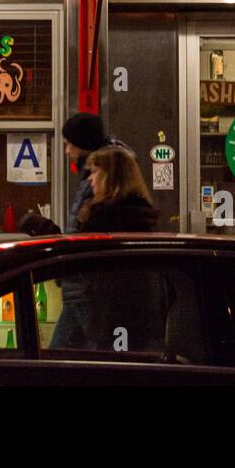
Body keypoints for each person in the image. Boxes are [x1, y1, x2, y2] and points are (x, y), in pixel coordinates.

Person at [75, 144, 163, 352]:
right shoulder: (144, 215)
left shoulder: (101, 218)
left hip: (109, 312)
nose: (90, 179)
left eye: (95, 171)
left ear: (111, 177)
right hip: (145, 312)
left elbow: (79, 260)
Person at [49, 113, 110, 351]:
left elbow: (86, 232)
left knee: (77, 349)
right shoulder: (90, 176)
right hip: (80, 283)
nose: (66, 150)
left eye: (68, 143)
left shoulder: (97, 179)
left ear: (82, 143)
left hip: (84, 283)